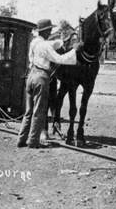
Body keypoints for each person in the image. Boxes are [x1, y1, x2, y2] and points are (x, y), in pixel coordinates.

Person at [17, 19, 81, 149]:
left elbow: (53, 43)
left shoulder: (34, 43)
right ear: (45, 31)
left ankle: (21, 139)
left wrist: (63, 41)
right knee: (39, 111)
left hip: (31, 76)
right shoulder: (45, 46)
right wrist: (74, 50)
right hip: (41, 77)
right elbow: (60, 59)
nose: (50, 32)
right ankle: (33, 141)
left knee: (29, 111)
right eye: (49, 30)